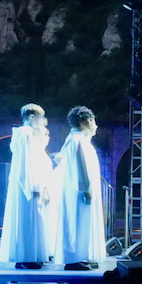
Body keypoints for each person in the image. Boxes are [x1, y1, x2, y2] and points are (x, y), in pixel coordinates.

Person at [0, 103, 52, 270]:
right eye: (40, 118)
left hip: (32, 185)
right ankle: (26, 257)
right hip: (28, 186)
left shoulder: (26, 135)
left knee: (31, 221)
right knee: (27, 220)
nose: (42, 121)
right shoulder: (26, 133)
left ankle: (32, 255)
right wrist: (32, 186)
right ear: (32, 117)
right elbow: (26, 163)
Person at [57, 106, 105, 271]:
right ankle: (74, 259)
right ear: (85, 121)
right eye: (93, 121)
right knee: (77, 222)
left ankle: (81, 256)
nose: (95, 125)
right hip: (78, 191)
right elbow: (81, 167)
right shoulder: (77, 141)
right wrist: (86, 189)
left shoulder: (76, 140)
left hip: (78, 190)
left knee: (82, 222)